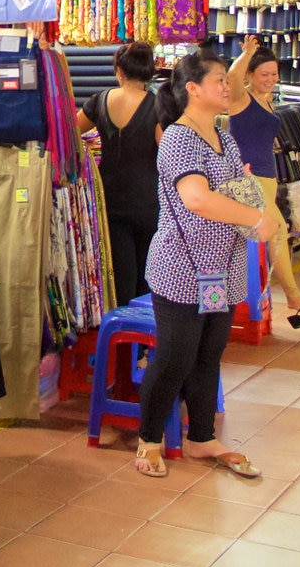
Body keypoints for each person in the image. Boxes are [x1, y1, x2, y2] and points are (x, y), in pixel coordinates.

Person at [137, 52, 276, 480]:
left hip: (222, 268)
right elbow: (195, 197)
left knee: (209, 352)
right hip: (182, 268)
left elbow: (234, 184)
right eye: (219, 79)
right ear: (193, 89)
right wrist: (254, 217)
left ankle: (201, 438)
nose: (226, 86)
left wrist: (248, 198)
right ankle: (149, 440)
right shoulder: (179, 139)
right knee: (176, 356)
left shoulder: (223, 136)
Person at [226, 36, 300, 331]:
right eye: (264, 74)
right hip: (248, 177)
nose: (270, 79)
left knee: (280, 231)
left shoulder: (267, 102)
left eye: (274, 74)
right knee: (278, 230)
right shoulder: (240, 98)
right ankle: (295, 300)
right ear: (251, 76)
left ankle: (293, 300)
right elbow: (231, 76)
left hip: (267, 178)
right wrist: (246, 54)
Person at [76, 41, 160, 308]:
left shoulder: (99, 100)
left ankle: (124, 340)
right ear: (149, 71)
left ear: (119, 71)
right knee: (148, 275)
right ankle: (146, 340)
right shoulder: (159, 106)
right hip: (149, 198)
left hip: (110, 197)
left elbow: (70, 131)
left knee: (121, 274)